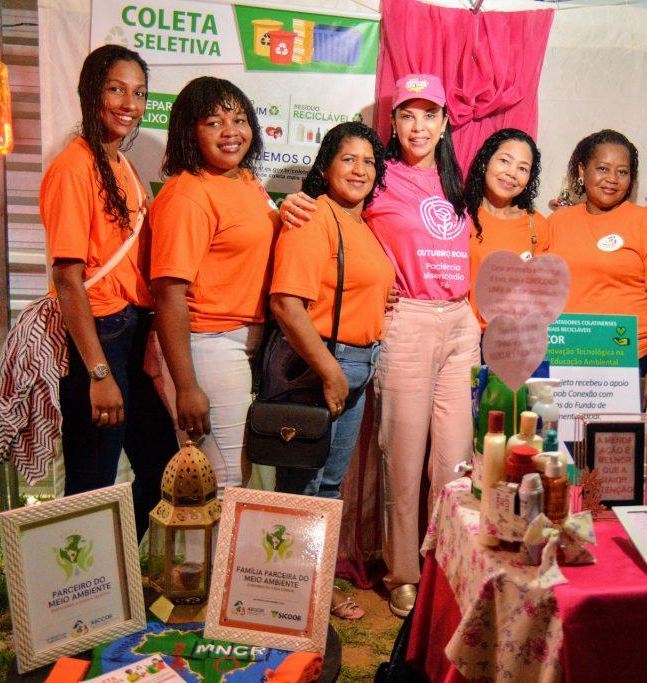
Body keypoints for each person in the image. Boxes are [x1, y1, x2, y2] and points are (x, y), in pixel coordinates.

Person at [278, 74, 478, 617]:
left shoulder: (457, 180)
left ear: (443, 124)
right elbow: (331, 207)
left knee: (455, 459)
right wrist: (288, 205)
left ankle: (450, 564)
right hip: (408, 320)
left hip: (461, 322)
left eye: (429, 115)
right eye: (407, 115)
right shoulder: (380, 175)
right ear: (394, 123)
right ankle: (403, 574)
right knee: (402, 456)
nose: (418, 125)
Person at [40, 45, 177, 538]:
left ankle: (111, 579)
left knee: (161, 462)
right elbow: (68, 279)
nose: (129, 103)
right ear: (91, 92)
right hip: (99, 337)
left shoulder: (118, 163)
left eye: (138, 92)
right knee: (91, 480)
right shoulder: (73, 168)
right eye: (116, 89)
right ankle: (77, 599)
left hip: (131, 334)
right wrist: (98, 372)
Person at [271, 121, 394, 620]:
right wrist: (329, 371)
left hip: (357, 364)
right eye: (349, 159)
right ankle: (286, 596)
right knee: (302, 488)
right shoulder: (315, 216)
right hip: (322, 364)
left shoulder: (362, 225)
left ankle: (312, 594)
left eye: (368, 162)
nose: (359, 169)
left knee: (327, 487)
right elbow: (286, 304)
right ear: (325, 167)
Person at [149, 77, 279, 495]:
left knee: (242, 476)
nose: (231, 131)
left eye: (239, 119)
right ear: (190, 130)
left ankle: (222, 563)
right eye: (213, 121)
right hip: (210, 345)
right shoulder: (186, 194)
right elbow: (168, 294)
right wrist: (187, 386)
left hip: (250, 343)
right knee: (222, 482)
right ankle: (202, 564)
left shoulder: (245, 182)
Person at [547, 129, 647, 400]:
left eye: (622, 172)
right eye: (602, 169)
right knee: (565, 442)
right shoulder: (555, 223)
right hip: (567, 358)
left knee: (616, 442)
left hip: (630, 362)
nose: (612, 179)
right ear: (582, 170)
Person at [465, 128, 549, 326]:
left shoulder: (536, 225)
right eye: (504, 161)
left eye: (522, 168)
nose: (512, 173)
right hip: (460, 341)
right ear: (485, 163)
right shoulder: (458, 216)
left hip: (512, 342)